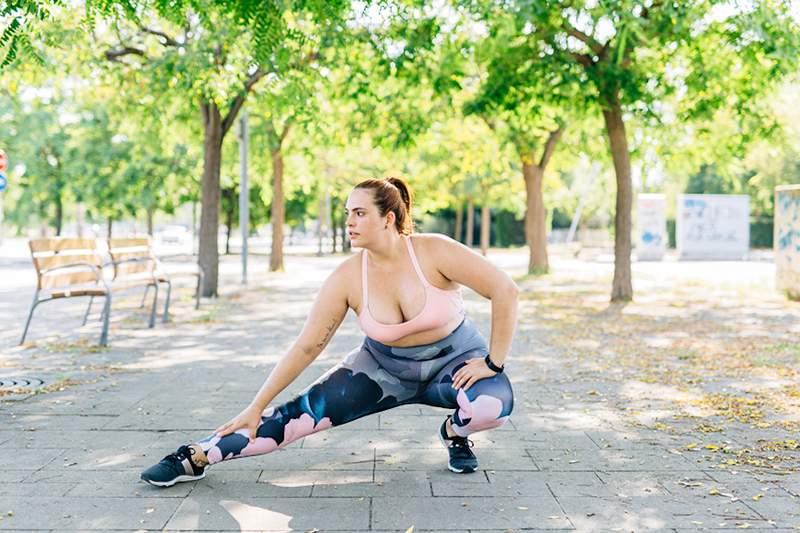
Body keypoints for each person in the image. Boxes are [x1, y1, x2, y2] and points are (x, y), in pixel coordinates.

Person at [141, 177, 517, 487]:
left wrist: (492, 362)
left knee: (491, 406)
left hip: (453, 365)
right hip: (380, 371)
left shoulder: (434, 251)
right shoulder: (347, 277)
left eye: (359, 213)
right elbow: (308, 346)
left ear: (388, 218)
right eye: (347, 213)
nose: (349, 221)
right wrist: (255, 406)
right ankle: (197, 455)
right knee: (291, 420)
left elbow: (505, 290)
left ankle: (454, 433)